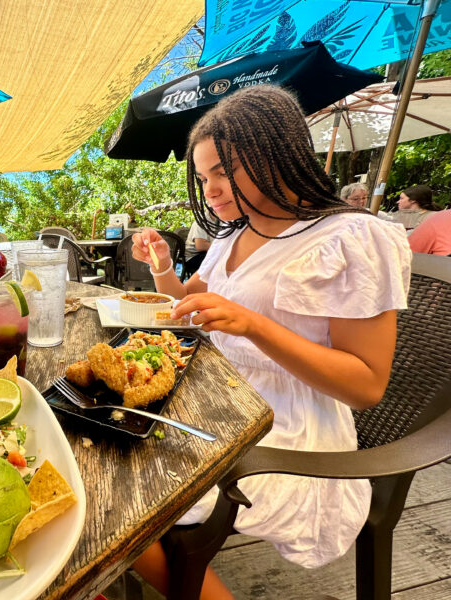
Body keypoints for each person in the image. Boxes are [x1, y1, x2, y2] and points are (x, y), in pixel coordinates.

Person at [129, 85, 410, 599]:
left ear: (276, 152)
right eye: (203, 176)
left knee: (126, 500)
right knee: (106, 448)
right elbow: (188, 305)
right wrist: (164, 270)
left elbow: (367, 385)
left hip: (288, 431)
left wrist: (254, 325)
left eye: (222, 171)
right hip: (216, 406)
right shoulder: (235, 235)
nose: (210, 189)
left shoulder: (348, 238)